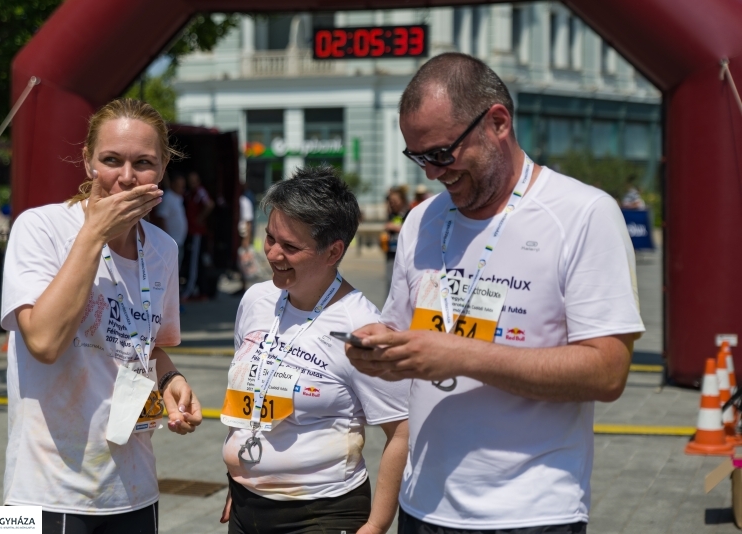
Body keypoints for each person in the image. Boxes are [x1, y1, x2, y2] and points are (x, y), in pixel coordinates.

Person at [346, 53, 645, 533]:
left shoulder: (583, 214)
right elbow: (403, 334)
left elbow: (608, 372)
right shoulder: (422, 220)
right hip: (422, 505)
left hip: (530, 513)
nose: (431, 173)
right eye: (418, 157)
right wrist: (377, 348)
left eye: (441, 153)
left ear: (498, 123)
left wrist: (461, 355)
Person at [0, 98, 203, 534]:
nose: (126, 177)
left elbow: (147, 349)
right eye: (111, 160)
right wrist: (94, 234)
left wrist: (171, 380)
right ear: (88, 161)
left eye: (143, 162)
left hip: (133, 486)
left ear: (163, 167)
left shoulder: (163, 248)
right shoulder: (41, 229)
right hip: (49, 490)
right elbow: (44, 343)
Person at [219, 165, 410, 534]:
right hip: (246, 506)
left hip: (321, 513)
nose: (273, 254)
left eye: (290, 247)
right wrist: (241, 476)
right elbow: (249, 394)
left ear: (333, 251)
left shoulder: (360, 325)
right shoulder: (256, 300)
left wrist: (377, 524)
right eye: (270, 237)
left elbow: (402, 429)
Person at [183, 170, 214, 300]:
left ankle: (189, 291)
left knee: (194, 263)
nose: (192, 183)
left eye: (194, 181)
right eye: (190, 181)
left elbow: (210, 204)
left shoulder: (200, 192)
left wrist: (199, 219)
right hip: (190, 232)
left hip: (197, 233)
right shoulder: (189, 193)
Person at [155, 172, 188, 267]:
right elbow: (161, 218)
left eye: (183, 186)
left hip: (179, 241)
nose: (182, 188)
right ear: (173, 184)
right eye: (179, 185)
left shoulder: (179, 197)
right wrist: (166, 238)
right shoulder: (168, 197)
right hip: (170, 242)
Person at [383, 185, 410, 292]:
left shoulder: (410, 214)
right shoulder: (392, 215)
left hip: (406, 256)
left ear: (403, 200)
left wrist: (395, 227)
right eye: (390, 201)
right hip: (391, 254)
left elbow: (412, 231)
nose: (392, 203)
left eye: (395, 201)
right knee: (390, 283)